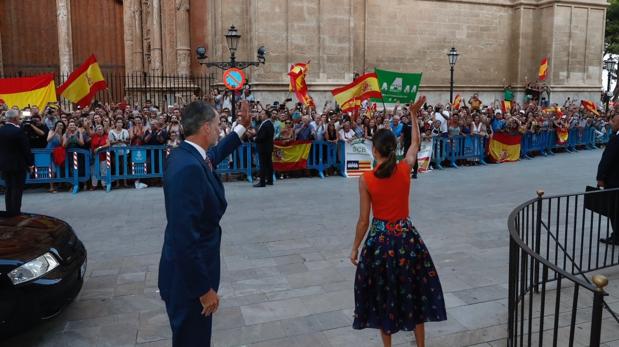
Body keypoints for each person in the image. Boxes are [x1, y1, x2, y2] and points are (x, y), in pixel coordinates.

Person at [350, 96, 446, 347]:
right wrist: (414, 115)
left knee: (384, 296)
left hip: (380, 243)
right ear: (394, 148)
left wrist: (354, 248)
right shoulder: (404, 169)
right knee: (415, 292)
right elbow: (415, 143)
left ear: (374, 150)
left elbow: (363, 220)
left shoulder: (366, 179)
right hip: (406, 238)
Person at [158, 100, 251, 347]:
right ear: (205, 128)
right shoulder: (188, 168)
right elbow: (184, 238)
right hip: (188, 283)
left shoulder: (187, 155)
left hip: (188, 275)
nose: (220, 129)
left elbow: (212, 156)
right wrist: (203, 290)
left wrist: (240, 128)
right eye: (218, 124)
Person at [0, 110, 33, 217]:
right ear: (15, 119)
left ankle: (9, 210)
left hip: (4, 165)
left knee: (8, 188)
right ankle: (15, 212)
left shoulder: (1, 130)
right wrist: (30, 164)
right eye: (18, 118)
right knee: (17, 188)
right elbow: (25, 149)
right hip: (18, 165)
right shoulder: (18, 131)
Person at [598, 112, 619, 245]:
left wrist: (600, 177)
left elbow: (607, 160)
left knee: (614, 210)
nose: (610, 124)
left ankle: (616, 236)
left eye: (613, 122)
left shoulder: (616, 139)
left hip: (614, 181)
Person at [253, 109, 274, 188]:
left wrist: (255, 138)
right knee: (268, 164)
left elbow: (262, 136)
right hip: (267, 147)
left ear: (266, 115)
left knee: (263, 165)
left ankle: (262, 182)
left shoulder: (267, 124)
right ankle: (270, 180)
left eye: (262, 114)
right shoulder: (267, 123)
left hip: (264, 147)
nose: (260, 115)